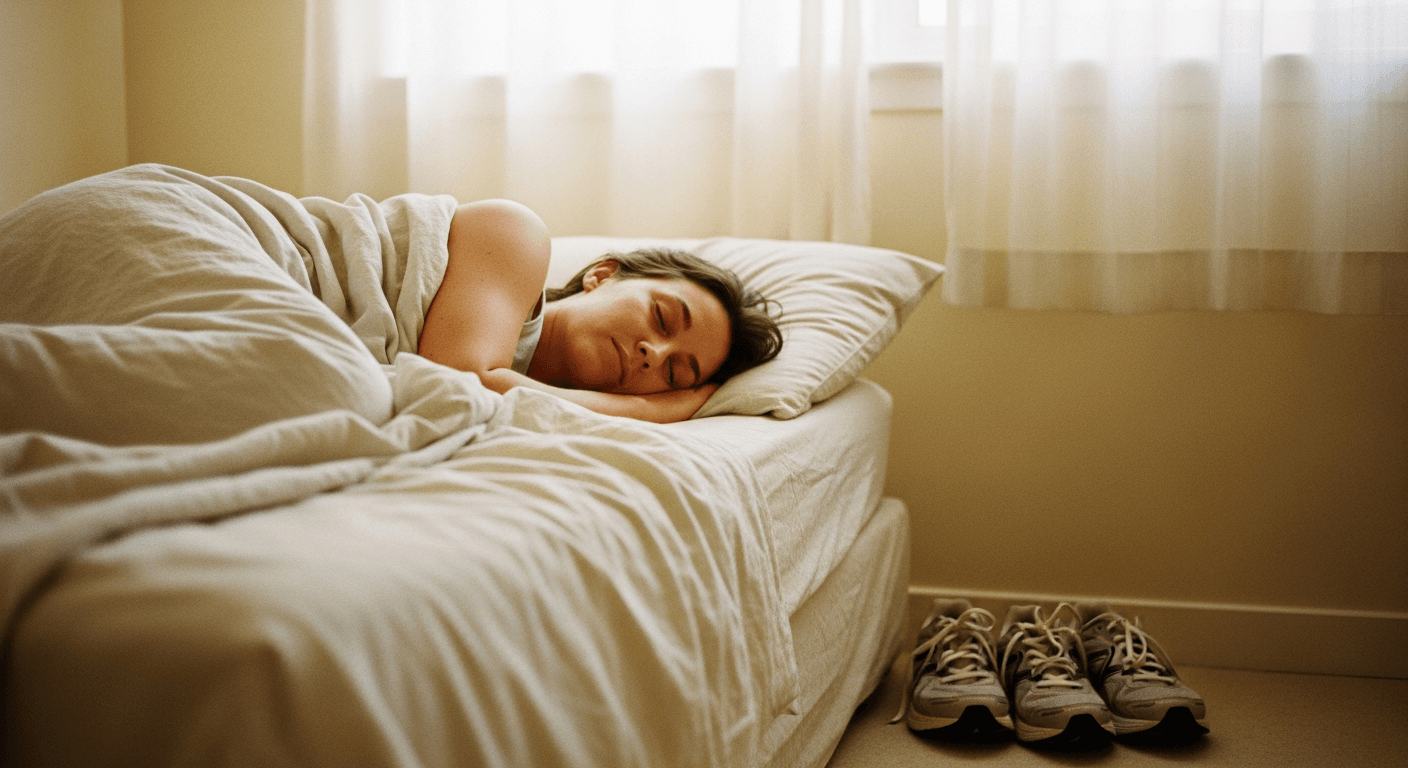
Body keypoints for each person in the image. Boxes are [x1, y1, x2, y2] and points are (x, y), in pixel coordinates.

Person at [417, 200, 782, 423]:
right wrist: (648, 412)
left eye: (674, 373)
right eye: (662, 317)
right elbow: (456, 386)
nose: (654, 354)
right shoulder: (516, 235)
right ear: (602, 275)